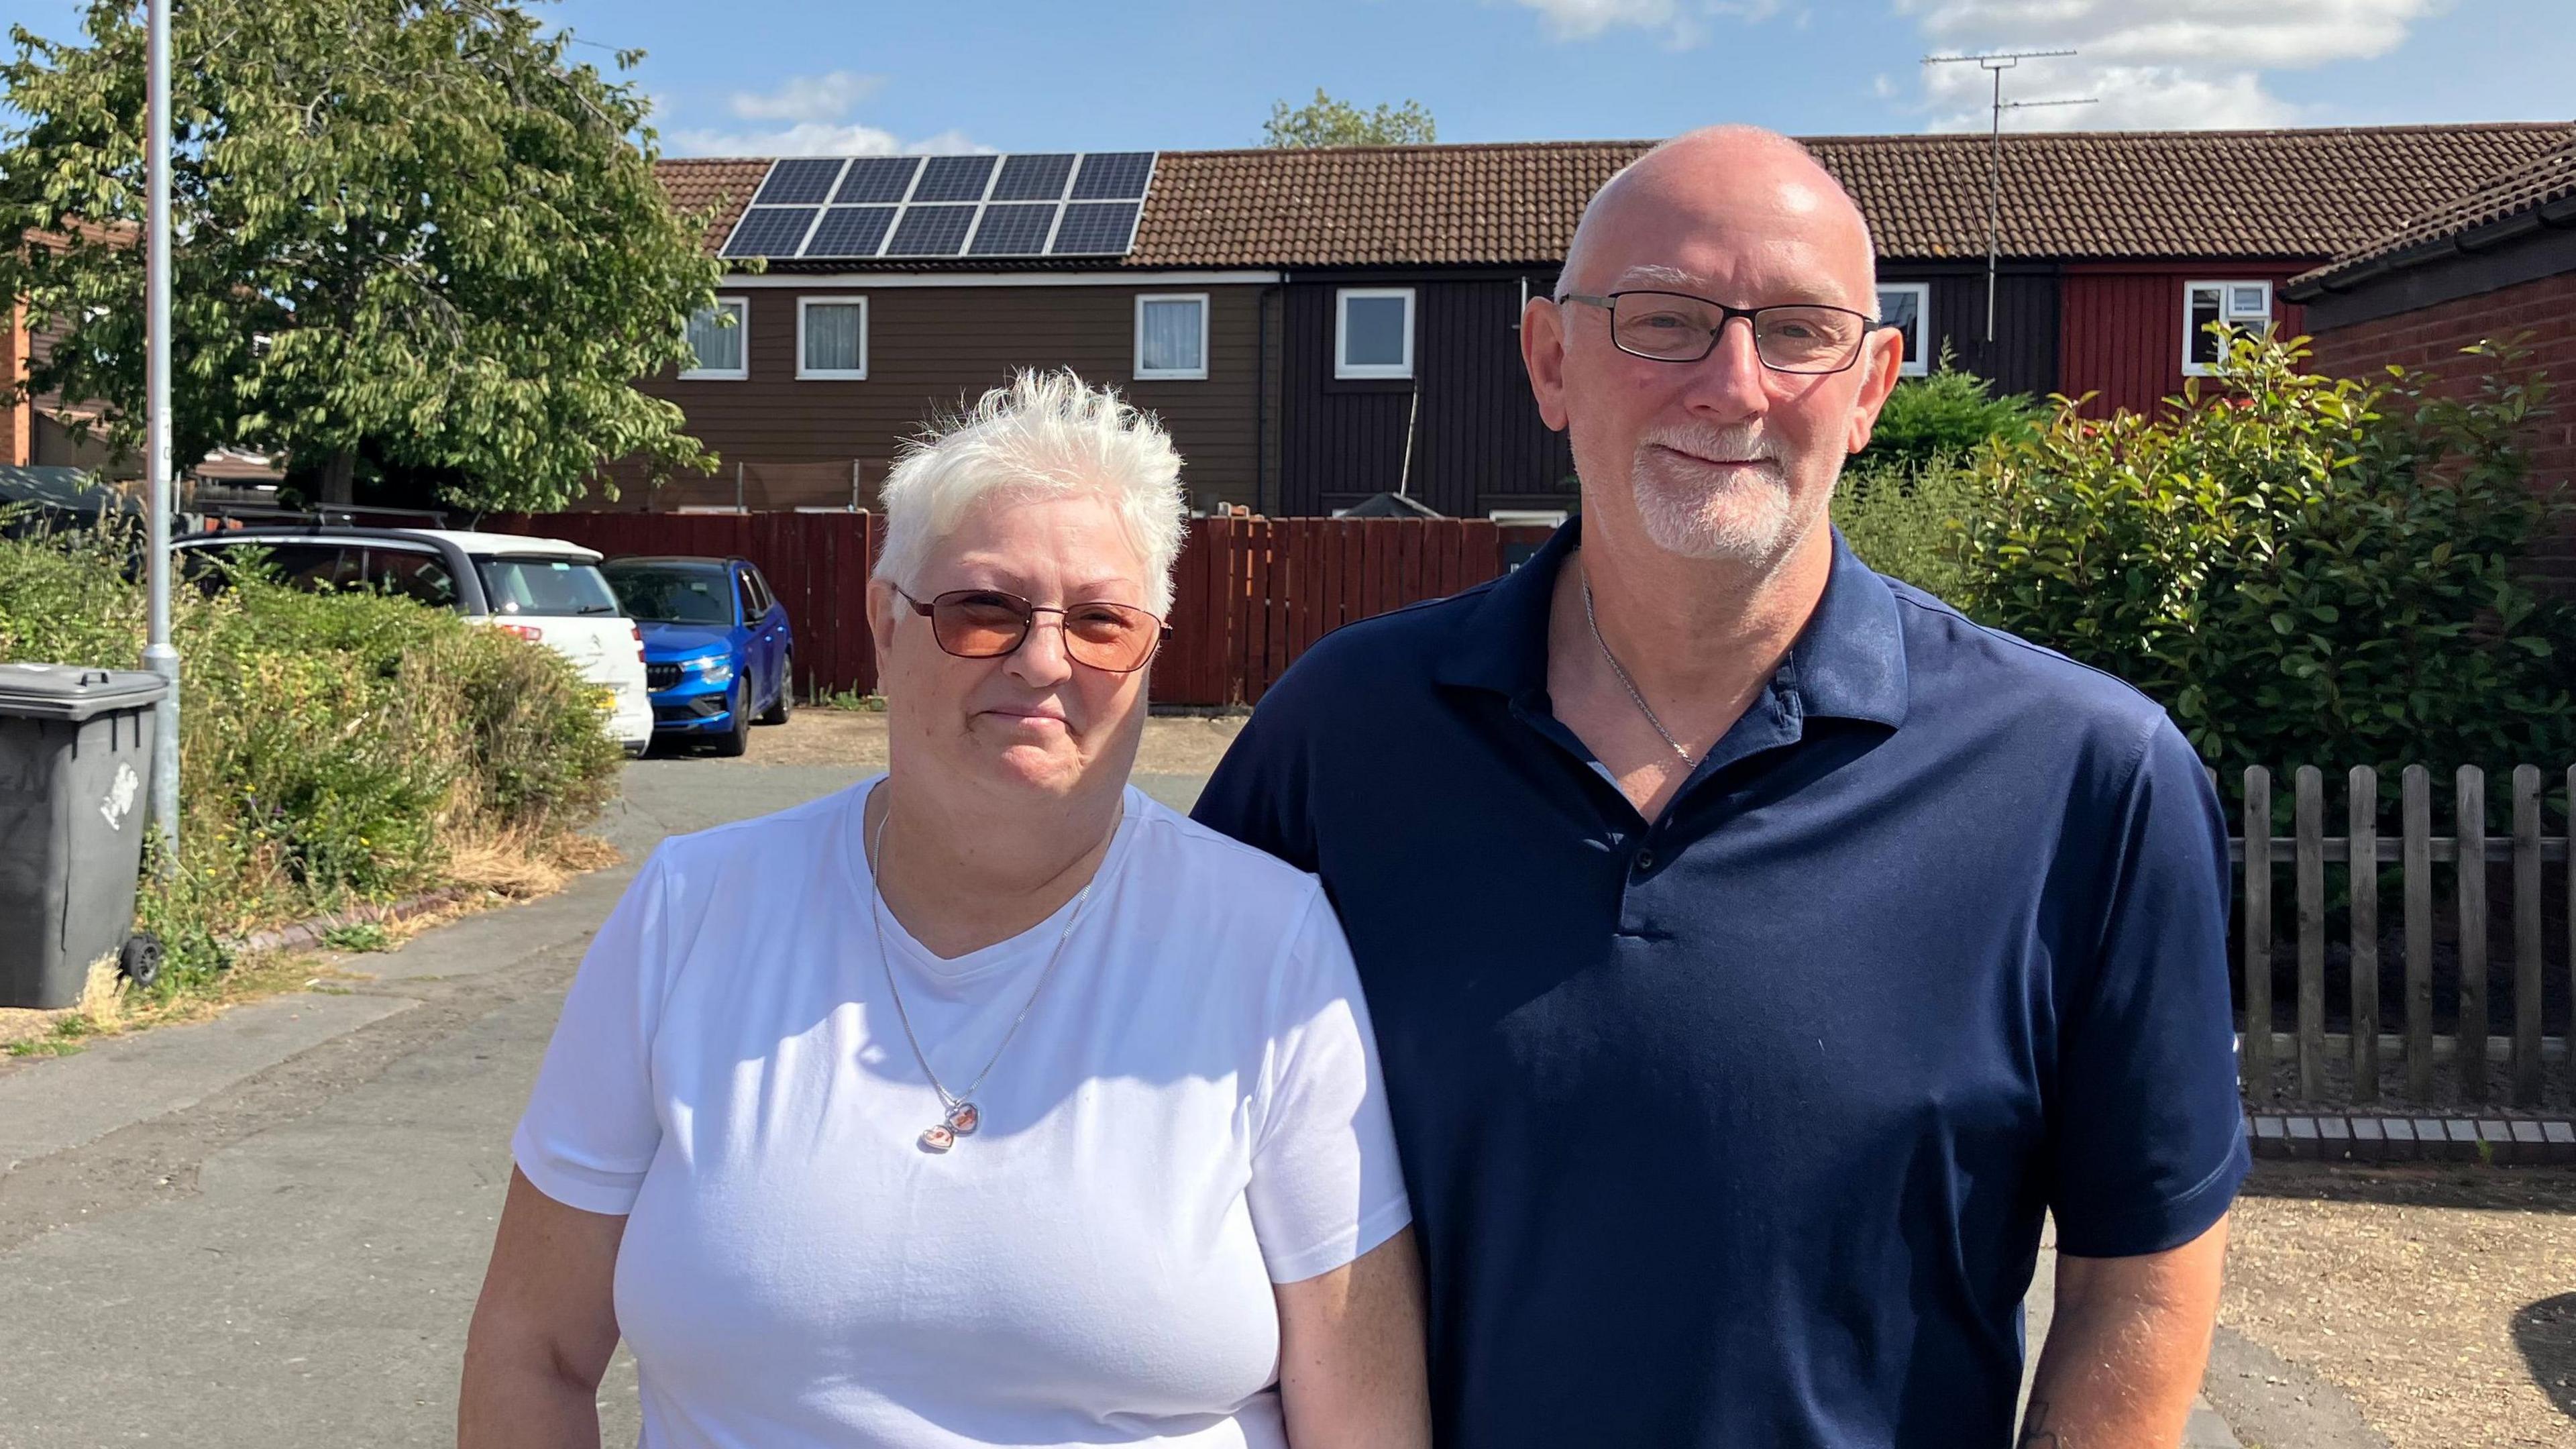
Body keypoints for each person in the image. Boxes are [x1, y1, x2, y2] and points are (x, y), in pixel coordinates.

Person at [1192, 126, 2247, 1448]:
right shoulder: (1344, 733)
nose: (1732, 385)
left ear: (1871, 388)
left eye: (1800, 332)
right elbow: (1170, 1144)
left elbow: (2142, 1262)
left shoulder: (2088, 775)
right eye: (1666, 320)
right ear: (1550, 362)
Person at [460, 370, 1430, 1449]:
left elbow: (1366, 1410)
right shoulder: (692, 914)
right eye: (983, 609)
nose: (1045, 660)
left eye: (1103, 622)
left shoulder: (1269, 945)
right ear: (884, 621)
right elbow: (532, 1349)